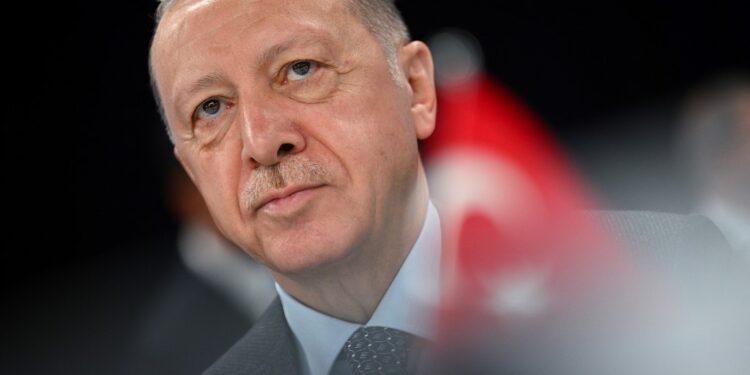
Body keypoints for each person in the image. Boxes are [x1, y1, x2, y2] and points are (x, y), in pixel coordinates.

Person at [148, 1, 747, 374]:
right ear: (189, 166)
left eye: (300, 69)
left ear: (416, 89)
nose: (259, 140)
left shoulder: (672, 266)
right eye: (210, 109)